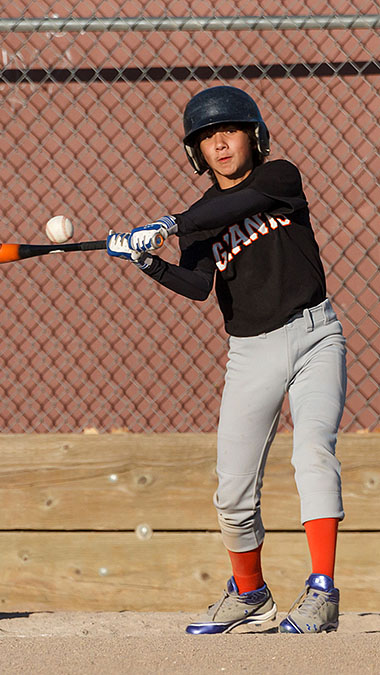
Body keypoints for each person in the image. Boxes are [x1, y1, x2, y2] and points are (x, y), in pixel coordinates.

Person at [106, 86, 346, 635]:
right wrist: (149, 262)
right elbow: (196, 285)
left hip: (315, 337)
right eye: (206, 138)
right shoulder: (199, 218)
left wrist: (166, 224)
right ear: (196, 153)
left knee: (313, 453)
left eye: (229, 132)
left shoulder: (279, 178)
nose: (219, 144)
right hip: (251, 351)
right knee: (232, 488)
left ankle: (322, 591)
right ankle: (249, 592)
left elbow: (237, 204)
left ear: (254, 136)